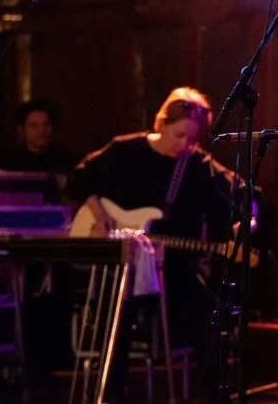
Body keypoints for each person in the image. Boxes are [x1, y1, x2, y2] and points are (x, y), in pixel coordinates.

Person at [65, 87, 243, 403]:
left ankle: (216, 393)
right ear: (161, 123)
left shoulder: (197, 164)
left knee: (209, 315)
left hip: (173, 269)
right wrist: (99, 213)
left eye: (191, 139)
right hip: (122, 266)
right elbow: (79, 177)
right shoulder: (125, 150)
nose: (183, 145)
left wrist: (244, 221)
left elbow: (235, 196)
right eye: (178, 135)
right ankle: (113, 393)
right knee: (115, 314)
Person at [0, 98, 80, 201]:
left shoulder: (67, 160)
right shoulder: (7, 162)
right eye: (34, 126)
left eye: (46, 125)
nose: (41, 131)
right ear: (22, 130)